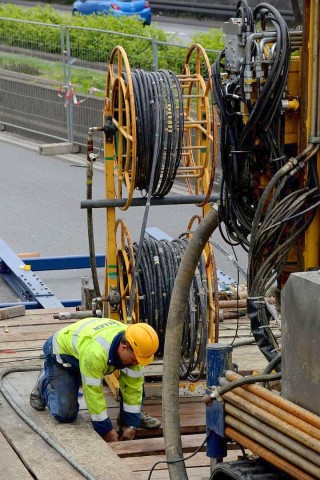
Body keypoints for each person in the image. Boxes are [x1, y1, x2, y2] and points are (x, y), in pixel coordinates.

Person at [30, 317, 161, 442]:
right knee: (65, 415)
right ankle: (45, 379)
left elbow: (133, 389)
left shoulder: (136, 348)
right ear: (123, 348)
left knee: (136, 383)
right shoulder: (96, 353)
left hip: (85, 353)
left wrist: (132, 424)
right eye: (134, 359)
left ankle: (127, 417)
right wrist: (105, 429)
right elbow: (93, 393)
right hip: (61, 357)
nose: (136, 363)